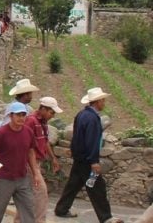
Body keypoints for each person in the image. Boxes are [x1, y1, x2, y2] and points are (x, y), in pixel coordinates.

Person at [55, 88, 123, 223]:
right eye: (103, 100)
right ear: (97, 101)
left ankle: (61, 209)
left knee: (74, 184)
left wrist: (73, 150)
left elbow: (76, 136)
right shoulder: (92, 118)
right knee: (97, 188)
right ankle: (106, 217)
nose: (104, 103)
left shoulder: (81, 114)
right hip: (87, 160)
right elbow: (91, 141)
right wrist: (94, 161)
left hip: (79, 158)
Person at [0, 102, 41, 223]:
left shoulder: (28, 132)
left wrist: (35, 173)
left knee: (29, 210)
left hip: (22, 178)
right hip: (3, 179)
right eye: (18, 115)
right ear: (10, 116)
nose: (21, 118)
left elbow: (31, 152)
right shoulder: (1, 133)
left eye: (23, 115)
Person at [16, 96, 63, 223]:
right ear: (43, 109)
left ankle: (20, 220)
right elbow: (25, 143)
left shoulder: (43, 122)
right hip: (30, 163)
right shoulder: (31, 121)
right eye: (51, 112)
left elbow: (45, 141)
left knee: (28, 195)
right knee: (41, 193)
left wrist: (53, 158)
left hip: (36, 162)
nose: (52, 115)